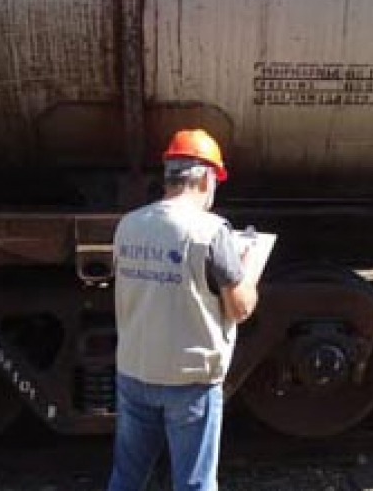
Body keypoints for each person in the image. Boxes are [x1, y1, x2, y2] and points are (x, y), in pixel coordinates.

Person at [107, 129, 261, 491]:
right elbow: (240, 308)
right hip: (189, 382)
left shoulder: (128, 224)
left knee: (127, 475)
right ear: (207, 177)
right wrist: (248, 270)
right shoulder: (211, 232)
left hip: (133, 371)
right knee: (195, 483)